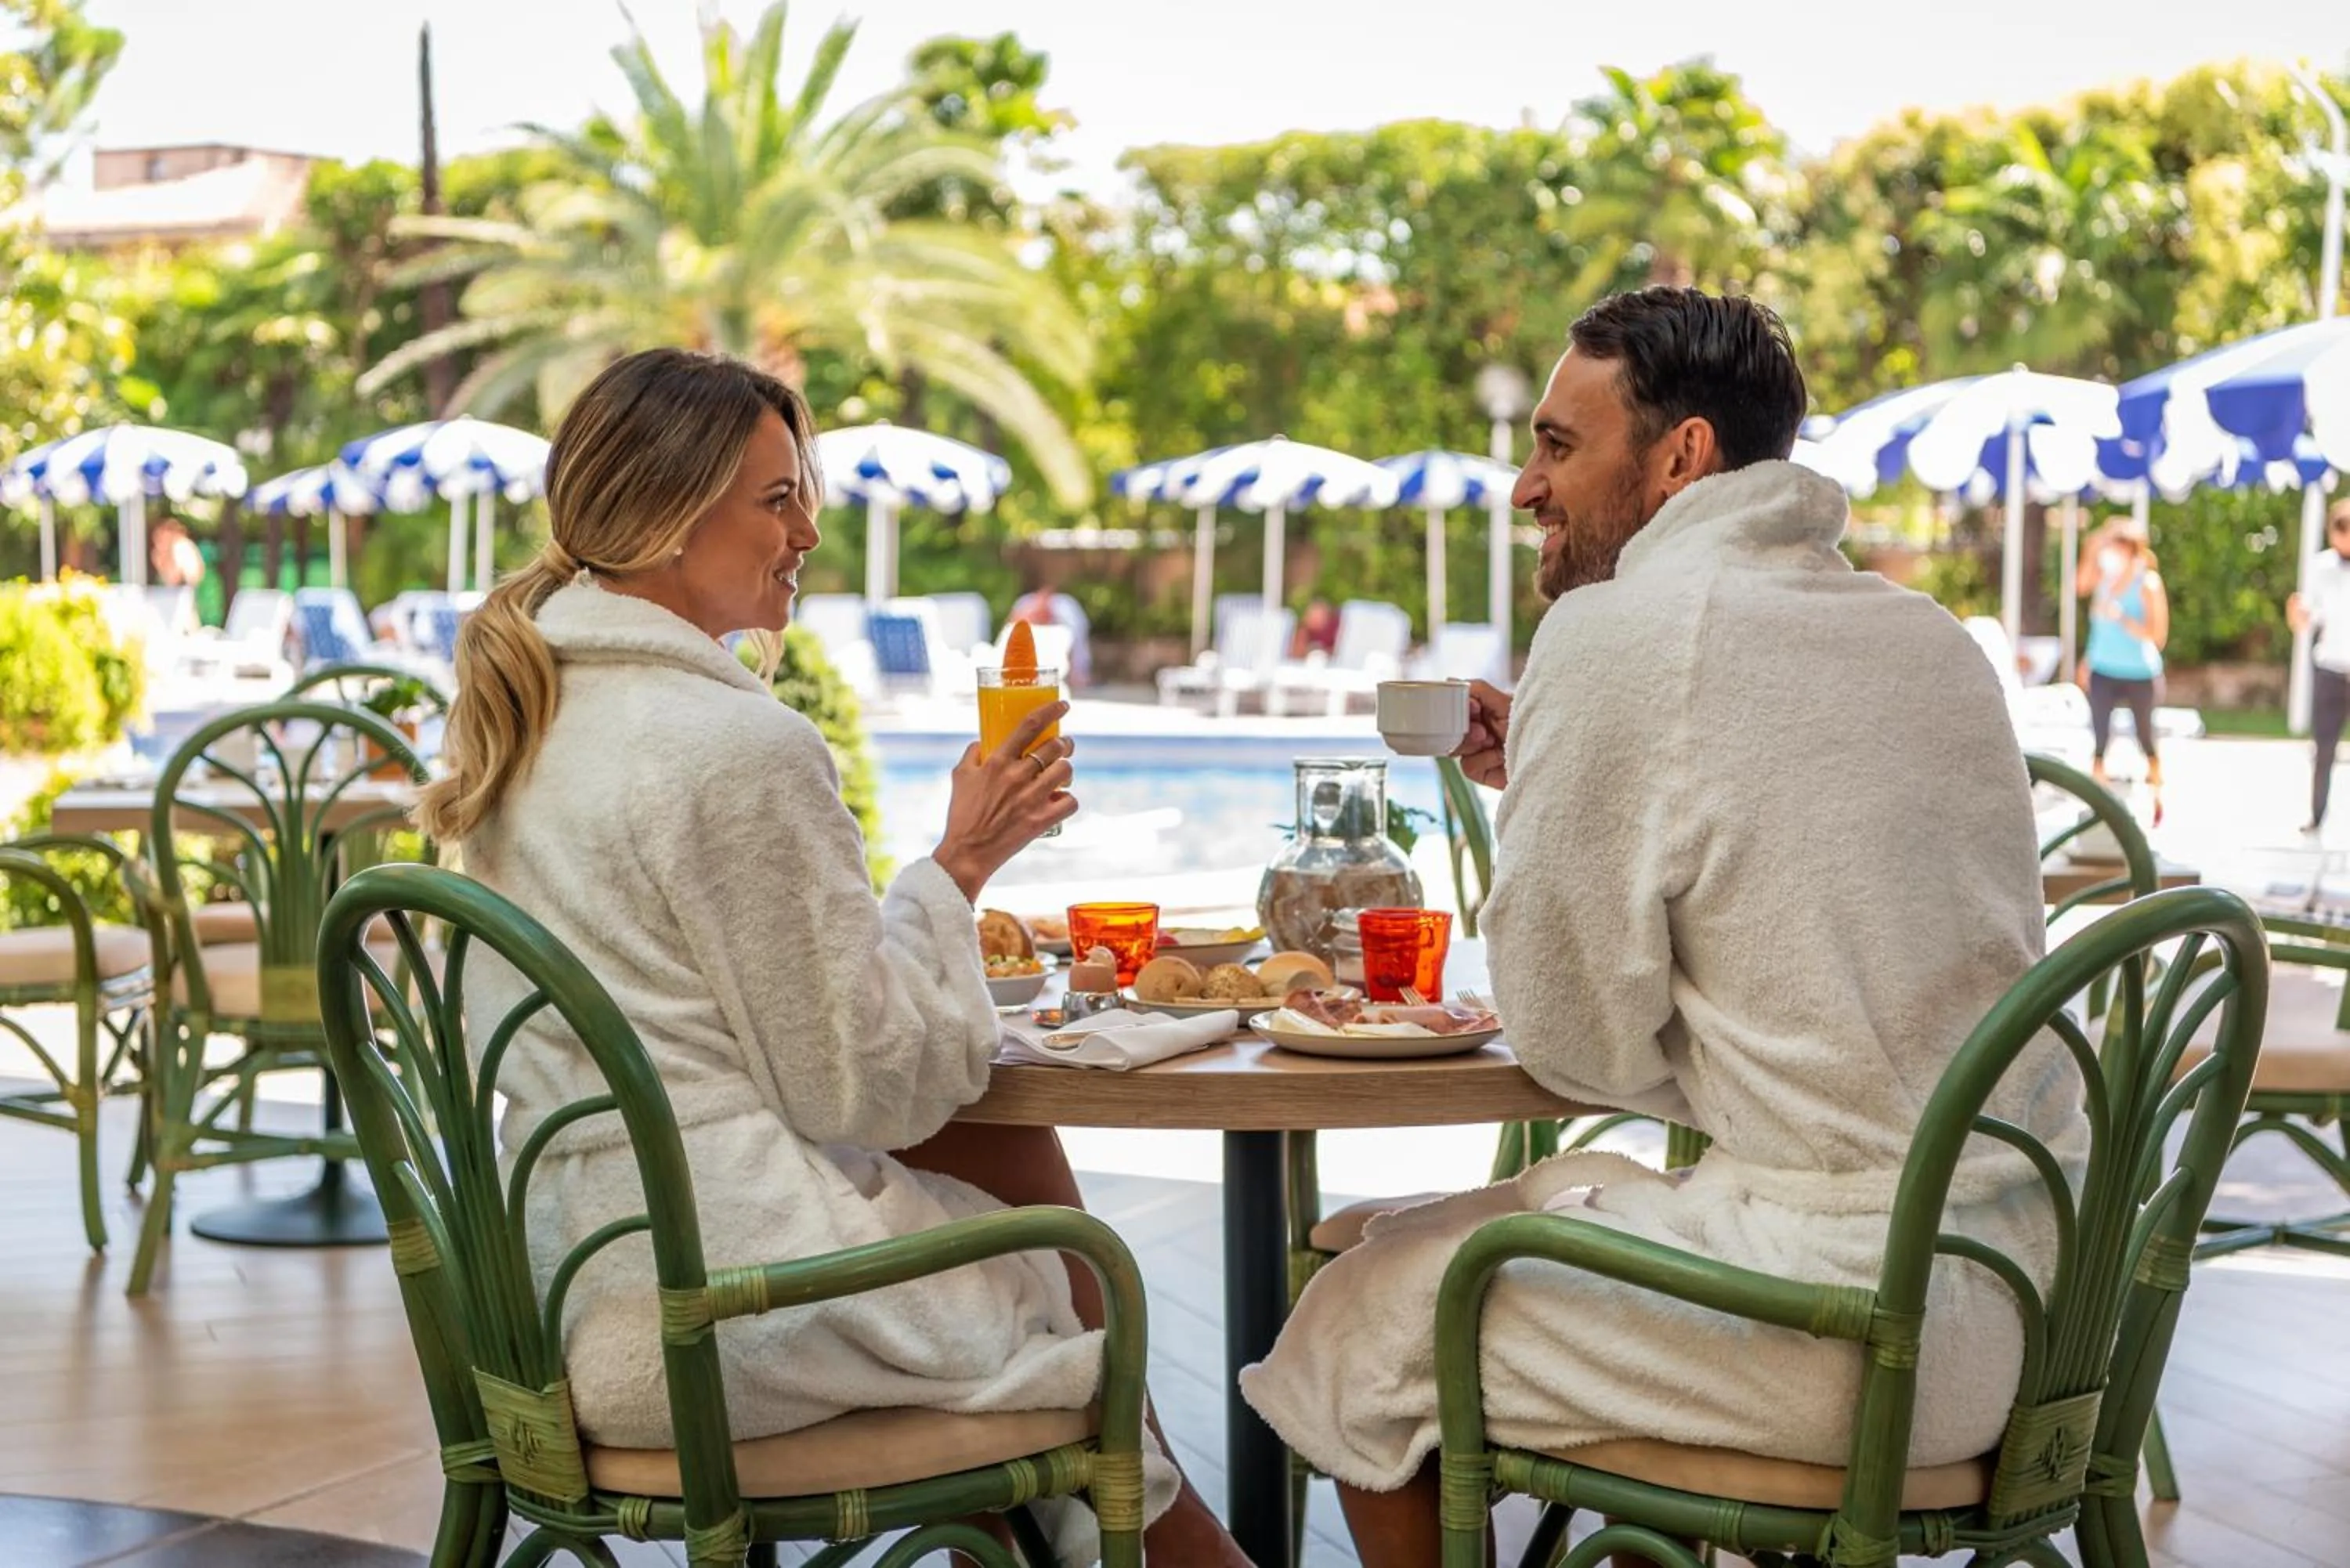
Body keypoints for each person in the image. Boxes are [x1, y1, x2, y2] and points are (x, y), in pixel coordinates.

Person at [1239, 288, 2087, 1567]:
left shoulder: (1612, 634)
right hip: (2033, 1291)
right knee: (1441, 1227)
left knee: (1358, 1322)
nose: (1526, 487)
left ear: (1683, 455)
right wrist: (1562, 765)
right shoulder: (1927, 637)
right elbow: (1801, 892)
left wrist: (1569, 792)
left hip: (1851, 1327)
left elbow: (1572, 1045)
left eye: (1558, 447)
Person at [417, 349, 1246, 1566]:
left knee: (1000, 1160)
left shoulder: (524, 715)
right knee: (1081, 1282)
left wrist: (942, 888)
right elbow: (861, 1087)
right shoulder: (732, 745)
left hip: (562, 1289)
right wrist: (956, 868)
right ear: (666, 511)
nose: (809, 527)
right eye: (776, 497)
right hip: (715, 1317)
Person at [2072, 514, 2170, 818]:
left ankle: (2157, 791)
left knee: (2145, 735)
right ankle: (2097, 800)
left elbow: (2158, 635)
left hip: (2140, 672)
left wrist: (2123, 619)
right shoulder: (2103, 578)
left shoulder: (2148, 583)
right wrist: (2091, 549)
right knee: (2100, 734)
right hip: (2103, 668)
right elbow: (2079, 586)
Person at [2287, 497, 2350, 834]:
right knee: (2323, 747)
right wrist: (2297, 614)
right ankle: (2317, 813)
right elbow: (2307, 618)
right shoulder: (2322, 567)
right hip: (2331, 667)